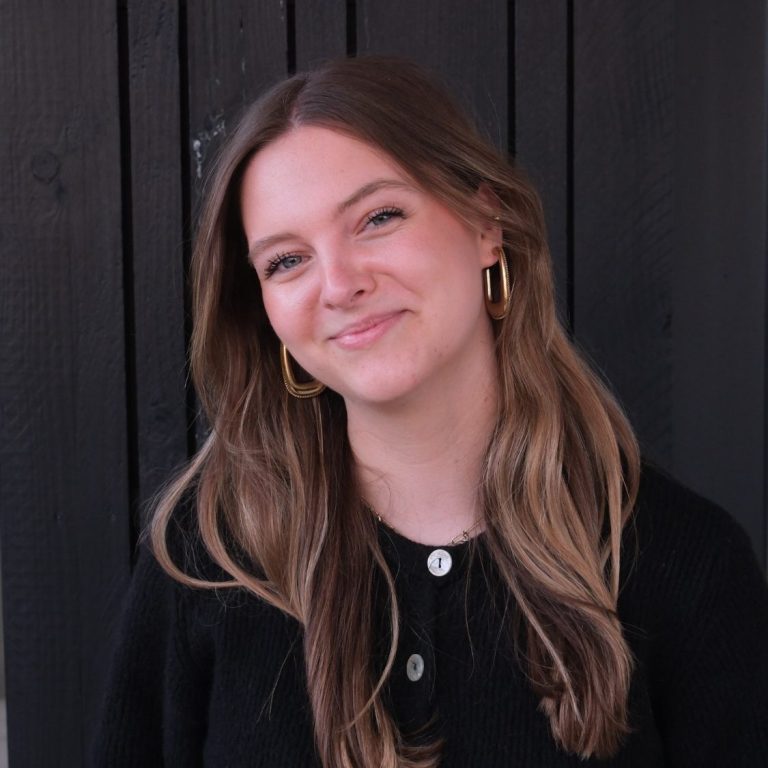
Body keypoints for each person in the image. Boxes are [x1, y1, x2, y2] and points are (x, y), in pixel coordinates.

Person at [93, 57, 768, 767]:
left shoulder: (682, 562)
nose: (340, 285)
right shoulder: (207, 565)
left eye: (378, 218)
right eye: (286, 261)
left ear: (486, 223)